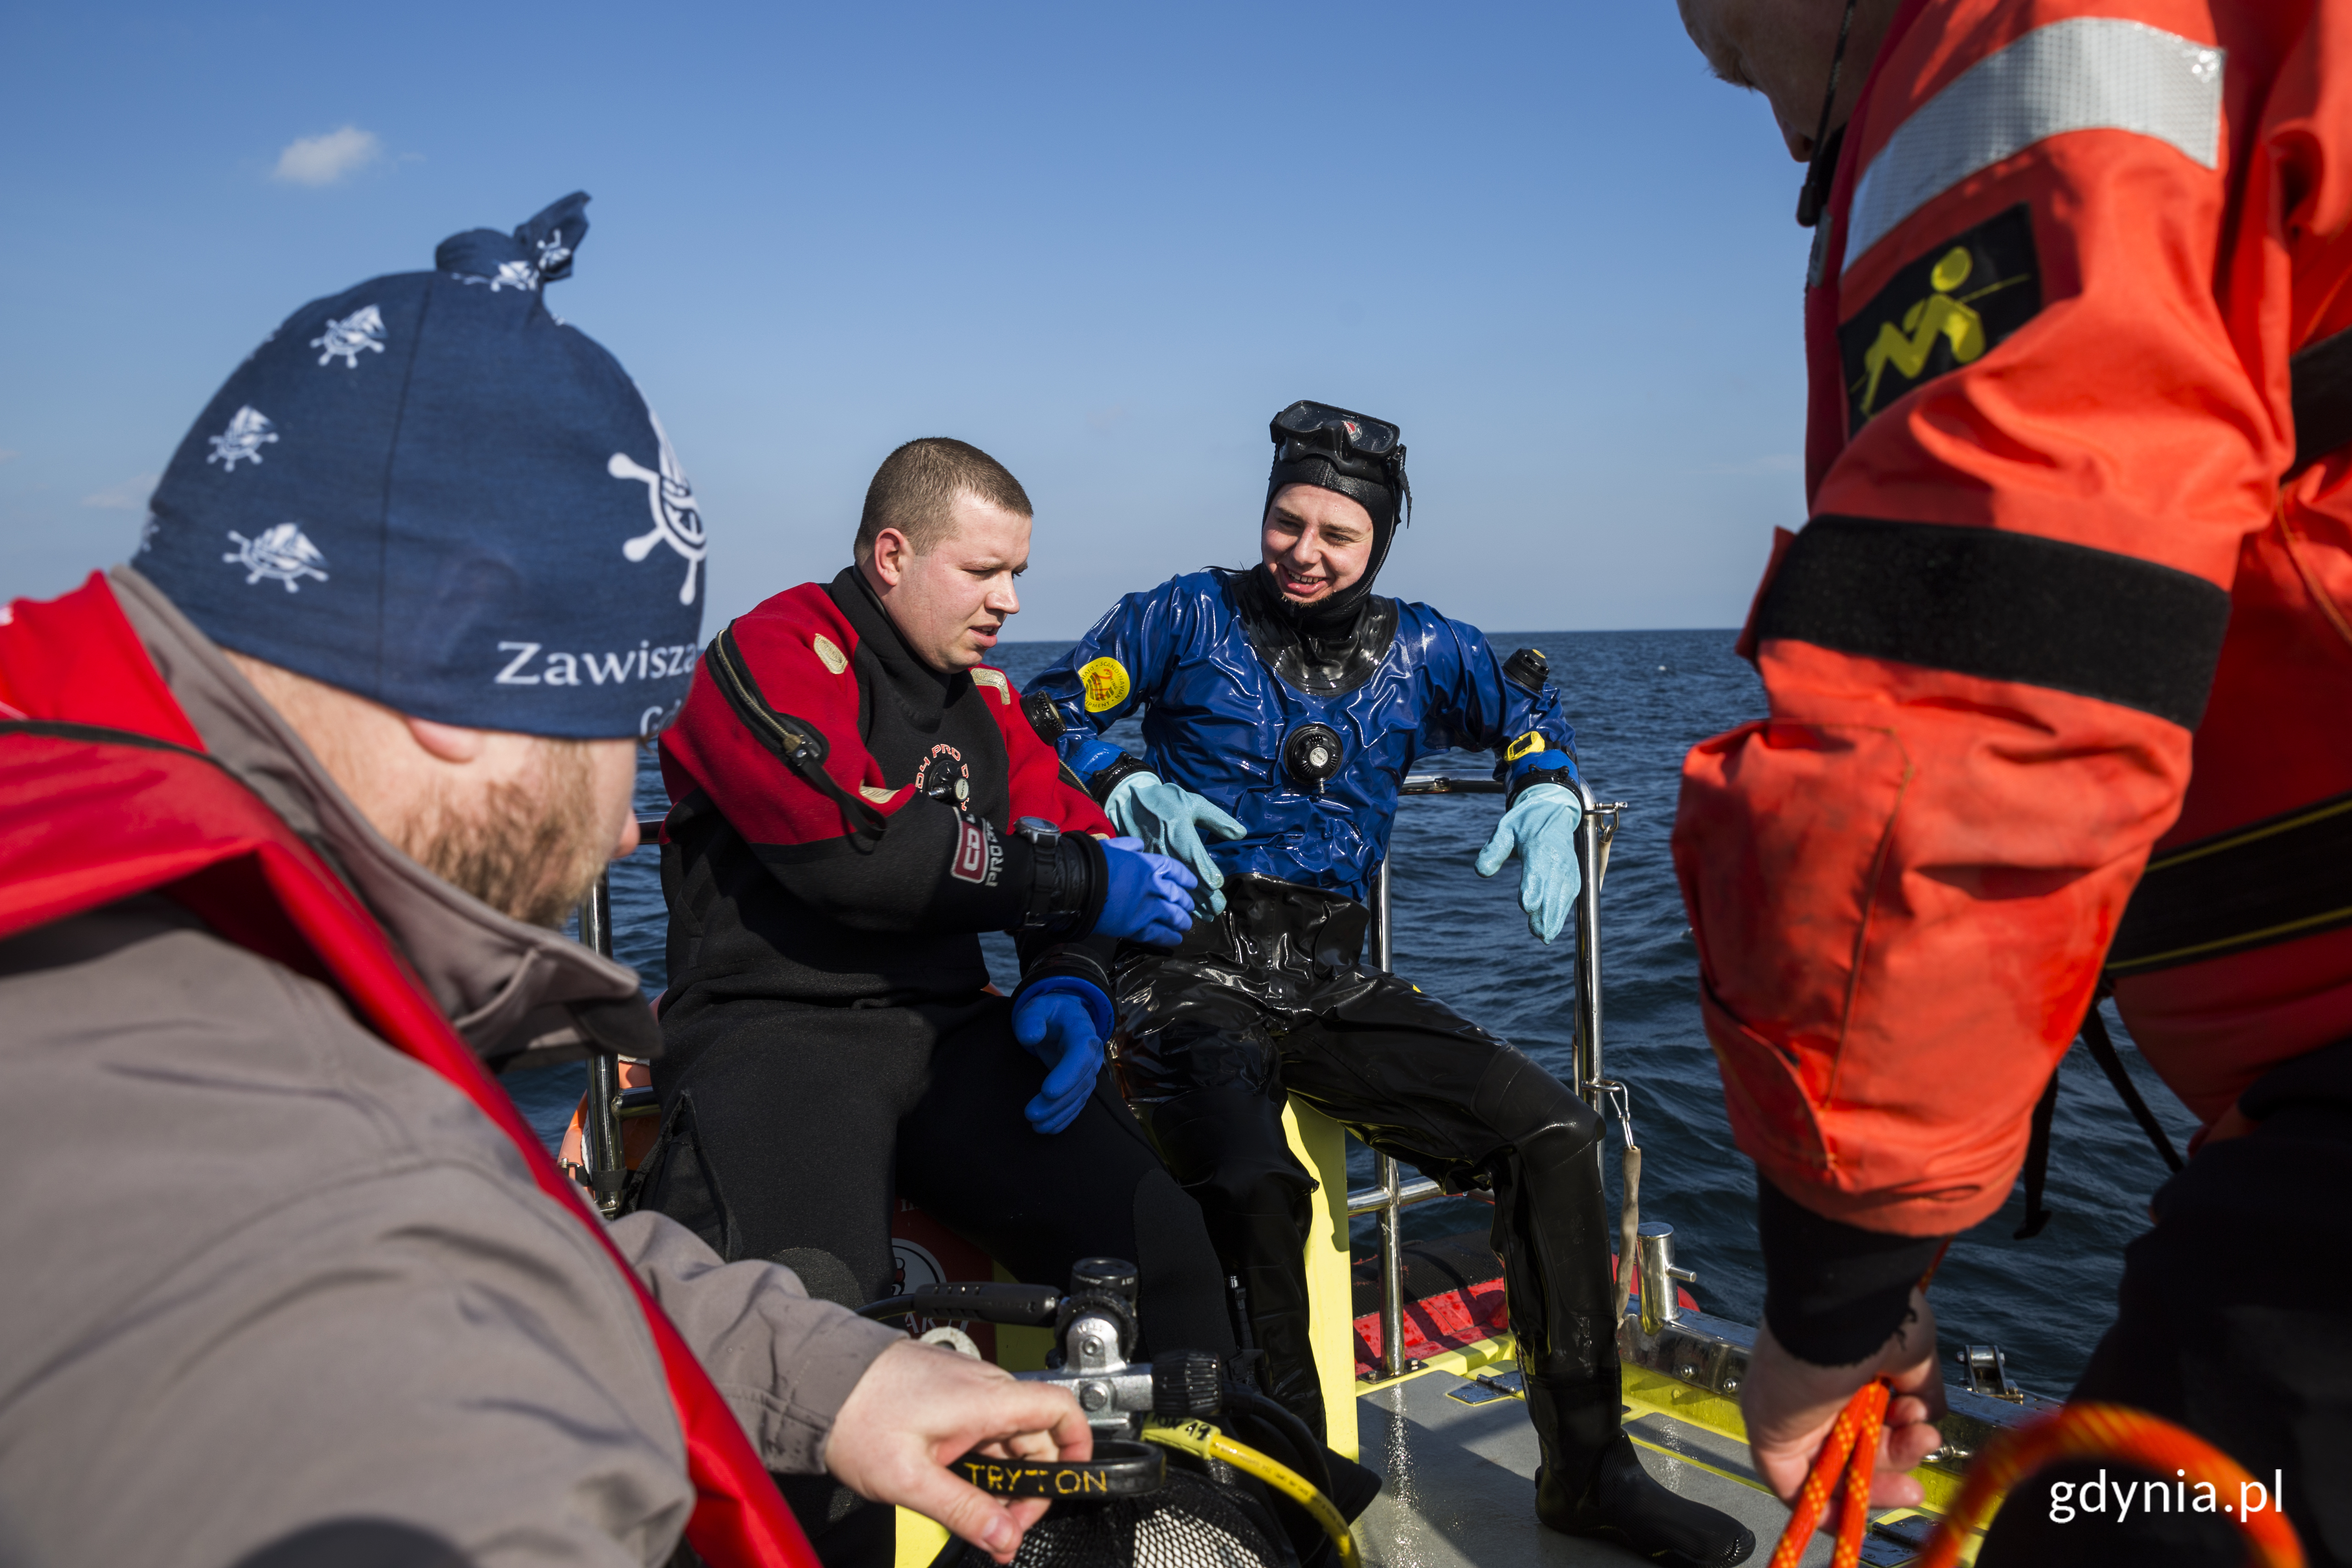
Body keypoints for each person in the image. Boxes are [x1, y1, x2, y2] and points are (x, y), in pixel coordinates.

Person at [0, 196, 1094, 1568]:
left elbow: (458, 1217)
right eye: (620, 735)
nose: (627, 830)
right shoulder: (279, 1171)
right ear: (465, 677)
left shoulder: (135, 908)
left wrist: (822, 1371)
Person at [1670, 1, 2352, 1562]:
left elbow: (1977, 692)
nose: (1790, 138)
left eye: (1755, 72)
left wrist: (1833, 1300)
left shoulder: (2031, 38)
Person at [1021, 400, 1757, 1567]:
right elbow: (1052, 702)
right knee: (1258, 1187)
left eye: (1336, 536)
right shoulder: (1180, 614)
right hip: (1186, 968)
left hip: (1326, 975)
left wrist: (1547, 783)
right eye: (1286, 522)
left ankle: (1587, 1470)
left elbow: (1523, 698)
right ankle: (1288, 1500)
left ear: (1378, 547)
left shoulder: (1423, 649)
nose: (1303, 553)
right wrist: (1117, 775)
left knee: (1555, 1135)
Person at [636, 436, 1244, 1566]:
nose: (1009, 600)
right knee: (814, 1329)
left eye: (1016, 574)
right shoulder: (769, 654)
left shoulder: (984, 704)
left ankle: (1184, 1530)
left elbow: (1077, 831)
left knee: (1159, 1236)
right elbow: (855, 850)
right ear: (890, 554)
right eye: (982, 573)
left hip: (946, 1031)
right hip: (776, 1035)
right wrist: (1073, 885)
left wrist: (1066, 980)